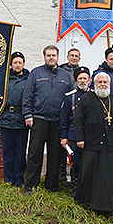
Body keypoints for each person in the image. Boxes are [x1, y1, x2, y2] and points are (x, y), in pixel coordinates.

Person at [22, 45, 73, 195]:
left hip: (58, 121)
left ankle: (51, 187)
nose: (51, 58)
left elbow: (69, 99)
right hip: (39, 119)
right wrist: (27, 115)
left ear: (58, 57)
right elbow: (28, 95)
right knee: (34, 154)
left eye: (54, 55)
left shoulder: (65, 76)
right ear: (44, 57)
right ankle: (31, 186)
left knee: (55, 155)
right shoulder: (36, 73)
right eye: (48, 55)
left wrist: (68, 120)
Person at [73, 72, 113, 214]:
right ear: (94, 83)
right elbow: (77, 120)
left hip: (110, 145)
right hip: (91, 143)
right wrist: (80, 139)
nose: (102, 85)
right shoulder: (86, 99)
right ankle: (86, 201)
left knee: (107, 177)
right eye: (100, 82)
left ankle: (105, 207)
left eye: (105, 82)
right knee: (88, 173)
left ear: (109, 84)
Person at [0, 52, 29, 188]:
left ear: (23, 64)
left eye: (20, 62)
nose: (17, 65)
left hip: (21, 119)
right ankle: (8, 179)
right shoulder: (3, 79)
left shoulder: (28, 79)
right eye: (15, 62)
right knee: (7, 151)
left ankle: (19, 179)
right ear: (11, 64)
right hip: (5, 118)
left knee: (20, 151)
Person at [59, 66, 90, 197]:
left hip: (90, 134)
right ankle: (76, 191)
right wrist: (64, 137)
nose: (82, 81)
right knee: (75, 163)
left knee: (89, 163)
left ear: (89, 79)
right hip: (74, 134)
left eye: (85, 78)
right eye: (80, 78)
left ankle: (88, 190)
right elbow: (63, 119)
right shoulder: (69, 98)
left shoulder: (93, 95)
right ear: (76, 80)